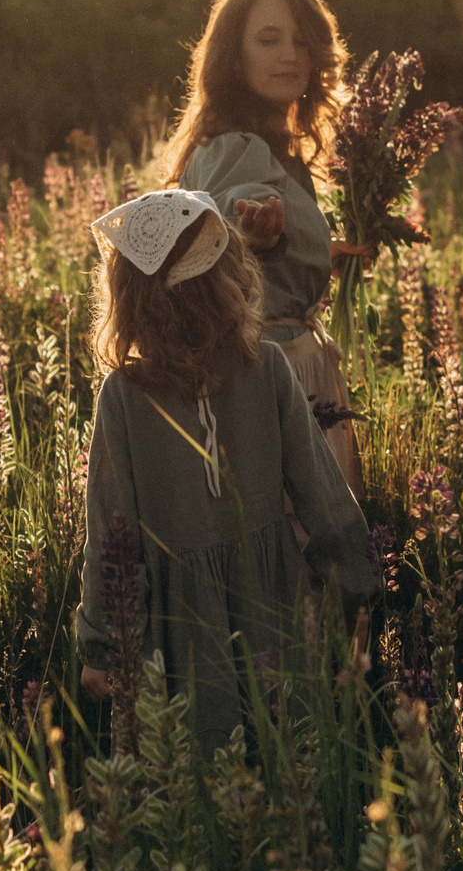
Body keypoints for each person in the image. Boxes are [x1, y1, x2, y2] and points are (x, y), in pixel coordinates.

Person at [74, 188, 380, 759]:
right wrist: (355, 588)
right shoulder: (263, 366)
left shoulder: (126, 393)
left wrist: (104, 645)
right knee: (287, 754)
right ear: (228, 279)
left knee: (195, 775)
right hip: (276, 606)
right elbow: (324, 496)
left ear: (129, 299)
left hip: (177, 631)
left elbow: (111, 537)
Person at [160, 0, 367, 495]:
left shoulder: (270, 145)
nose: (291, 55)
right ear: (234, 56)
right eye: (269, 40)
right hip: (268, 376)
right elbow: (231, 213)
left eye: (302, 41)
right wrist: (262, 231)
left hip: (281, 369)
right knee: (300, 545)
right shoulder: (235, 146)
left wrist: (318, 251)